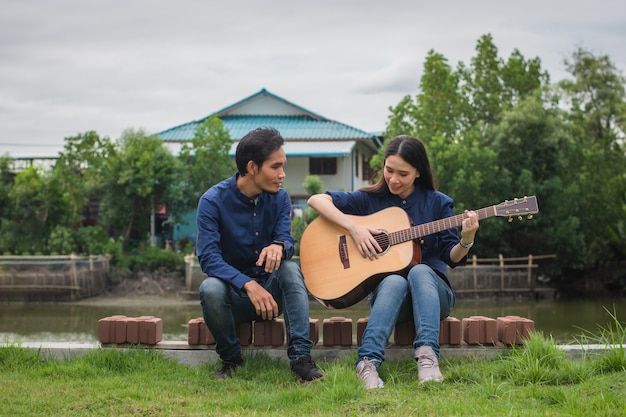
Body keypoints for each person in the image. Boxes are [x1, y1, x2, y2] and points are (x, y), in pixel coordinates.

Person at [307, 135, 479, 388]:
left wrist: (466, 239)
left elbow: (450, 256)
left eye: (403, 174)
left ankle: (428, 358)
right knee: (395, 280)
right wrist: (355, 229)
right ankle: (367, 363)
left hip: (433, 295)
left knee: (420, 271)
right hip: (390, 300)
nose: (394, 179)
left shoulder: (439, 203)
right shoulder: (369, 200)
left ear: (418, 172)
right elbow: (316, 200)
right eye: (389, 170)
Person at [196, 127, 323, 382]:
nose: (282, 175)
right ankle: (231, 360)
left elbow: (287, 239)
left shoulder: (280, 198)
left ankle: (301, 359)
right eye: (275, 167)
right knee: (209, 288)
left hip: (271, 295)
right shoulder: (212, 201)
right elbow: (208, 258)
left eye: (282, 166)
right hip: (234, 298)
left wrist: (279, 245)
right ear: (252, 167)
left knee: (289, 268)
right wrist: (248, 284)